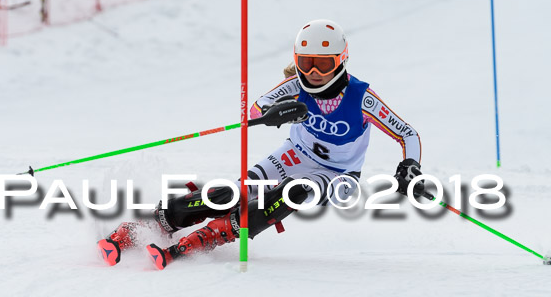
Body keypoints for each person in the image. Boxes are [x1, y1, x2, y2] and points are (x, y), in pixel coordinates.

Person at [97, 19, 424, 270]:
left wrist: (410, 167)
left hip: (338, 175)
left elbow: (407, 134)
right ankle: (156, 223)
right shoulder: (295, 85)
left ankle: (217, 233)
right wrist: (275, 112)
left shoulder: (361, 97)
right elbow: (256, 108)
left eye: (323, 64)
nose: (313, 72)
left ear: (341, 61)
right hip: (293, 155)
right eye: (306, 61)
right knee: (231, 192)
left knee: (294, 191)